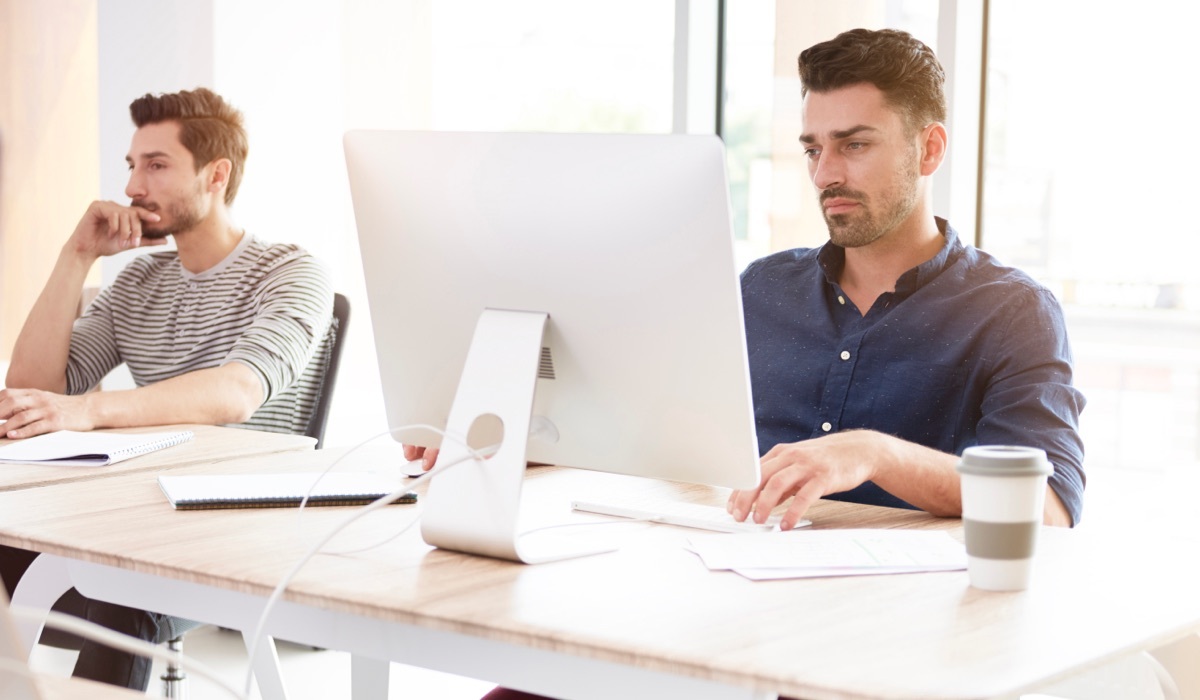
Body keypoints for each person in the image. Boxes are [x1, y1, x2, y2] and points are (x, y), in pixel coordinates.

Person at [469, 26, 1085, 700]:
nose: (826, 175)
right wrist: (522, 439)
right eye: (814, 149)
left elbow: (1050, 508)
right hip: (717, 613)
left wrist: (876, 454)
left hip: (887, 648)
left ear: (929, 147)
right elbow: (662, 430)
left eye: (854, 145)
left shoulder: (1014, 311)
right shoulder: (761, 289)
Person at [0, 87, 334, 691]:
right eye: (132, 166)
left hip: (243, 529)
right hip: (138, 513)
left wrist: (88, 411)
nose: (132, 187)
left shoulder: (292, 272)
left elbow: (236, 393)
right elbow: (30, 391)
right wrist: (76, 256)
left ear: (216, 174)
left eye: (156, 165)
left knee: (125, 600)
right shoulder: (138, 284)